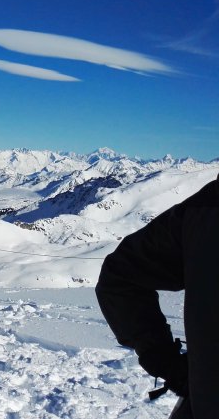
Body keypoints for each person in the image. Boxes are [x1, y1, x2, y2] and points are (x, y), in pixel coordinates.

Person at [96, 174, 219, 419]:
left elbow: (120, 275)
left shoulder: (204, 209)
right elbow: (120, 275)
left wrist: (165, 361)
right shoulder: (204, 209)